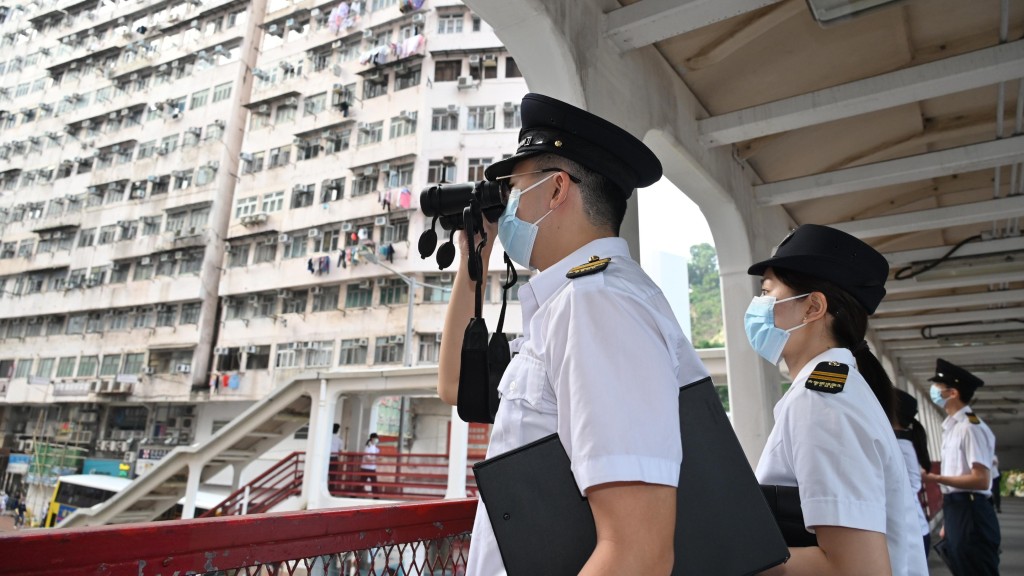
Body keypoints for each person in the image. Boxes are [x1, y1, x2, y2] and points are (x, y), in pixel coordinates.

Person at [436, 93, 709, 575]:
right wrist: (473, 257)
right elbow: (457, 387)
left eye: (514, 188)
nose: (507, 206)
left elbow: (638, 551)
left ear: (557, 189)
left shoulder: (598, 303)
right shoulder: (578, 302)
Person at [746, 224, 928, 575]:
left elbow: (857, 569)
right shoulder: (834, 391)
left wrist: (728, 553)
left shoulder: (823, 402)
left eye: (768, 292)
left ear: (813, 307)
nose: (758, 307)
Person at [922, 358, 1000, 575]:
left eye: (938, 387)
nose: (934, 391)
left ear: (952, 393)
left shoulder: (970, 428)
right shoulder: (953, 428)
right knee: (961, 565)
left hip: (971, 509)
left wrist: (935, 479)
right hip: (957, 508)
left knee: (975, 567)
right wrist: (949, 520)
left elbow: (981, 479)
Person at [893, 388, 932, 557]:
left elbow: (911, 485)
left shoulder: (902, 446)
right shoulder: (900, 442)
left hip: (911, 533)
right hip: (909, 530)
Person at [329, 423, 342, 492]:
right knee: (333, 476)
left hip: (325, 458)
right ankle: (331, 491)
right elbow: (340, 451)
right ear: (337, 430)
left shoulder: (326, 437)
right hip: (334, 458)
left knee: (324, 475)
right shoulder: (339, 439)